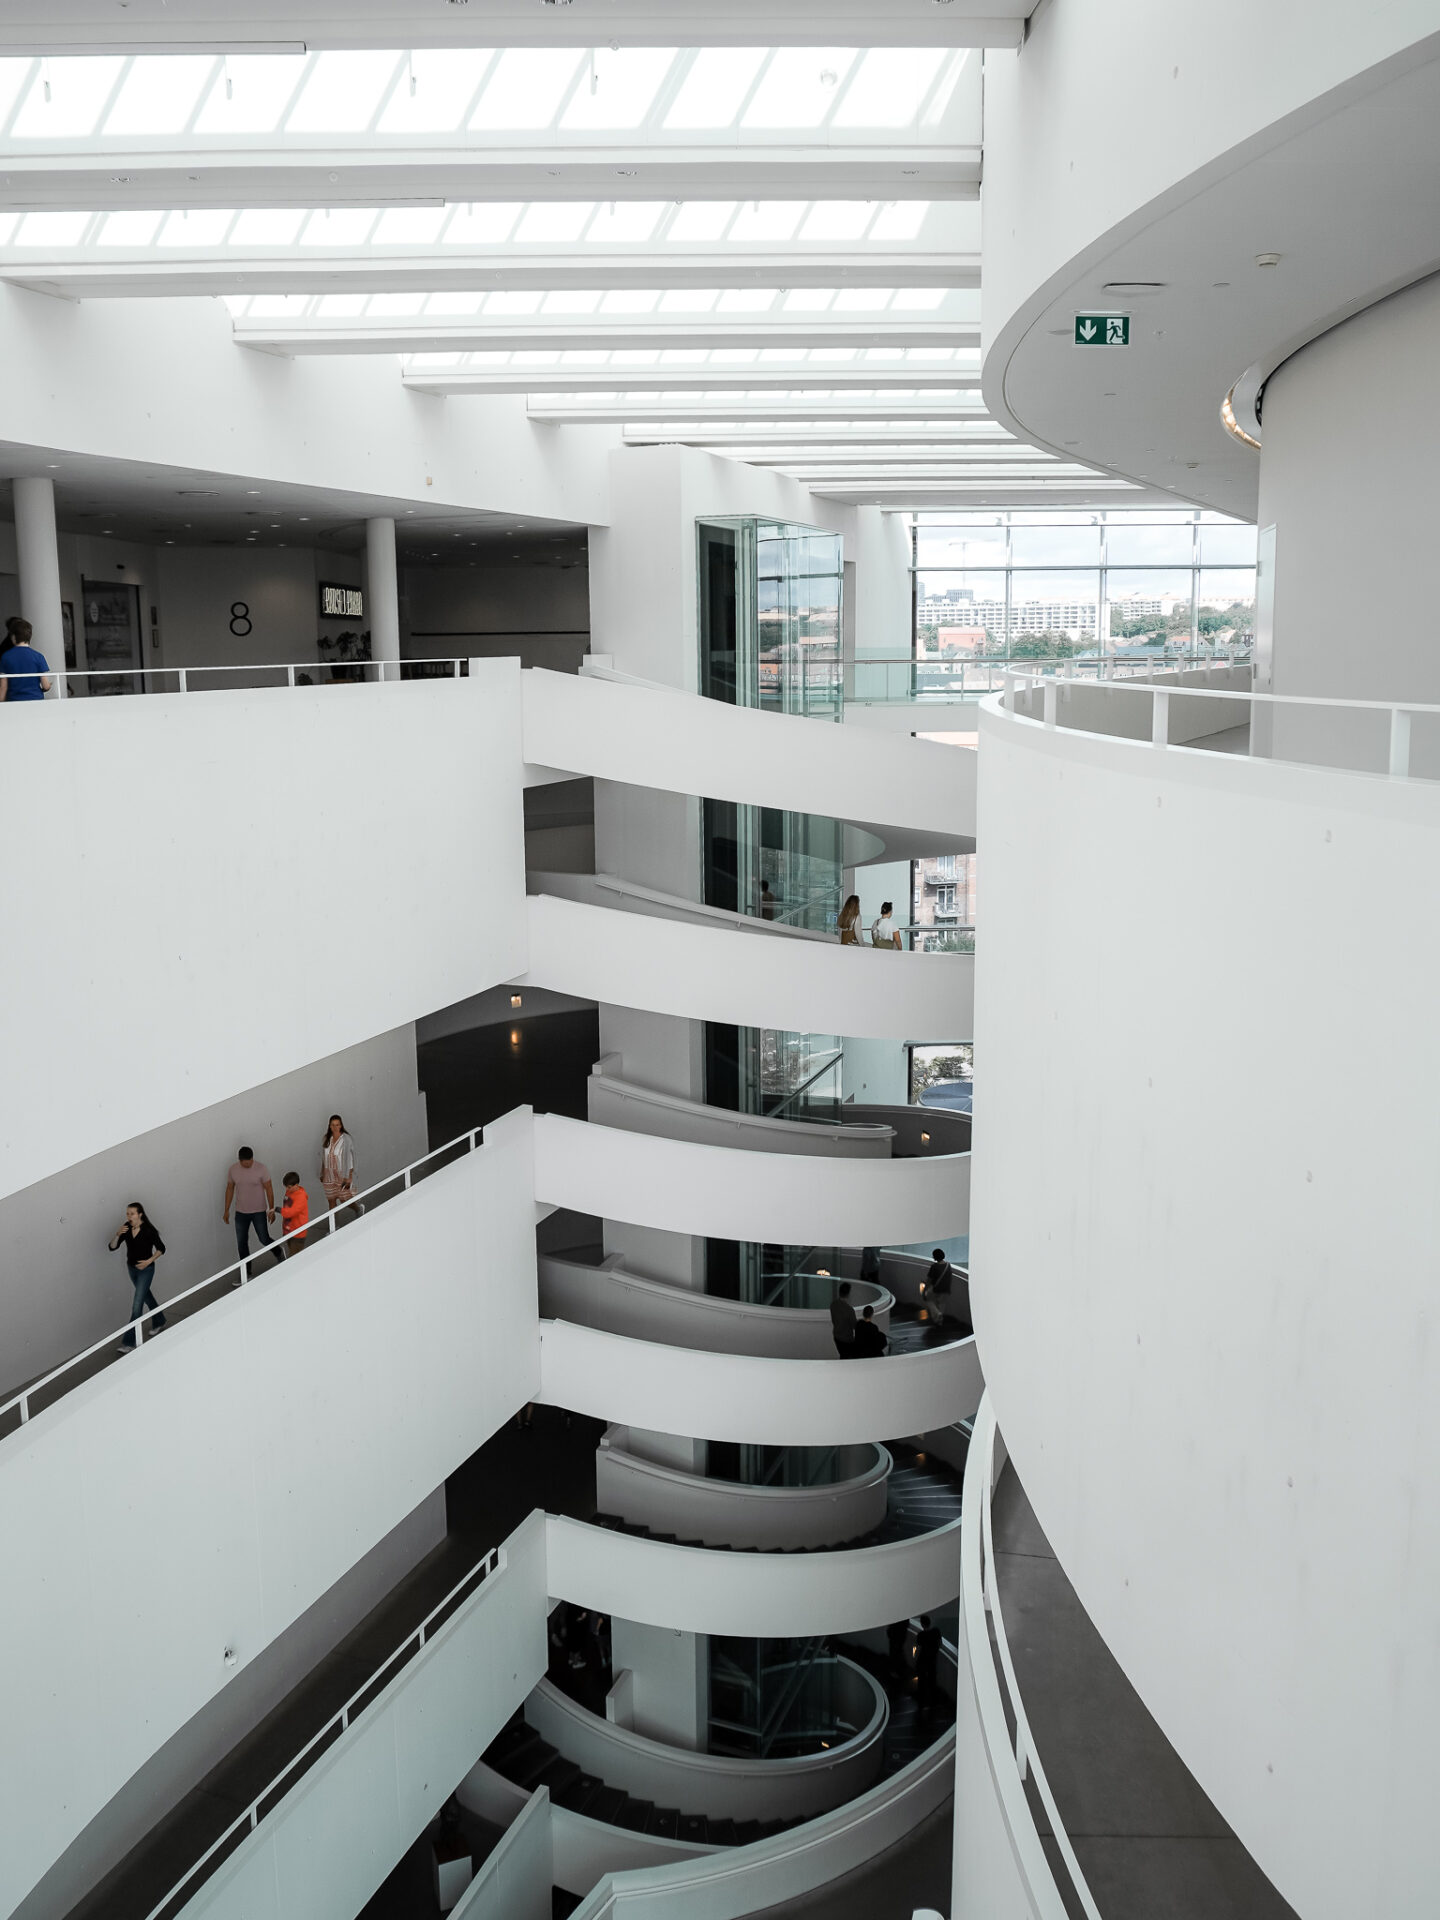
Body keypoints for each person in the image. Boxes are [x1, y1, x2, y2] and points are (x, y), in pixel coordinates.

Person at [109, 1202, 166, 1350]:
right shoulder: (126, 1228)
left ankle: (129, 1342)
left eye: (132, 1213)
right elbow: (112, 1247)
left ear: (140, 1214)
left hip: (146, 1270)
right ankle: (159, 1320)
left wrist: (149, 1261)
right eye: (127, 1213)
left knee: (137, 1305)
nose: (129, 1216)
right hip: (132, 1269)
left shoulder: (148, 1230)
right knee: (147, 1297)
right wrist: (117, 1234)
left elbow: (161, 1248)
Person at [224, 1146, 278, 1265]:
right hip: (241, 1212)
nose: (248, 1165)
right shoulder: (233, 1170)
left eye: (250, 1162)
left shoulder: (261, 1169)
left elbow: (269, 1189)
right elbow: (230, 1188)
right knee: (241, 1243)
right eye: (245, 1163)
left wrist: (271, 1209)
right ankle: (247, 1272)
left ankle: (279, 1252)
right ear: (240, 1160)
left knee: (264, 1238)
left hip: (258, 1211)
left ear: (253, 1158)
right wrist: (226, 1209)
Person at [320, 1113, 364, 1222]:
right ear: (329, 1126)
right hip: (329, 1175)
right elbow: (324, 1157)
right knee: (331, 1200)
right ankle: (334, 1226)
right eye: (333, 1125)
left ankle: (358, 1209)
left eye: (337, 1125)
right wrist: (322, 1173)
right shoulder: (327, 1139)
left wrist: (349, 1177)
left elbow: (350, 1158)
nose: (335, 1127)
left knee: (344, 1200)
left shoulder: (346, 1139)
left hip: (342, 1175)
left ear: (341, 1125)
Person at [0, 615, 52, 704]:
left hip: (14, 701)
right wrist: (48, 686)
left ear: (13, 636)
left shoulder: (5, 657)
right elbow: (45, 686)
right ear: (29, 636)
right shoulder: (38, 656)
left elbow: (3, 687)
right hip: (36, 700)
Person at [915, 1614, 943, 1721]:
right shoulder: (936, 1631)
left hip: (923, 1662)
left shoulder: (921, 1635)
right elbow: (940, 1644)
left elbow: (918, 1649)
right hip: (932, 1661)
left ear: (922, 1624)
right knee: (932, 1681)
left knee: (921, 1681)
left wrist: (915, 1658)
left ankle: (921, 1703)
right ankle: (933, 1703)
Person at [278, 1171, 310, 1256]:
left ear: (296, 1185)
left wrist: (278, 1210)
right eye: (286, 1187)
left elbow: (291, 1212)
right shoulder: (289, 1192)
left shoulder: (301, 1197)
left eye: (289, 1187)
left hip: (298, 1232)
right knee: (292, 1252)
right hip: (288, 1230)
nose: (287, 1190)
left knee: (295, 1256)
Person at [829, 1280, 857, 1358]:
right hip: (847, 1339)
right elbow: (855, 1326)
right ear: (848, 1294)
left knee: (843, 1356)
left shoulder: (833, 1304)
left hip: (837, 1336)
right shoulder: (849, 1310)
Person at [925, 1247, 954, 1321]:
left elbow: (929, 1280)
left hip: (936, 1289)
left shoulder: (934, 1266)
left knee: (928, 1299)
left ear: (935, 1257)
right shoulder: (948, 1265)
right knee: (941, 1305)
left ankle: (937, 1314)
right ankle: (939, 1322)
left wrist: (925, 1289)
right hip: (946, 1289)